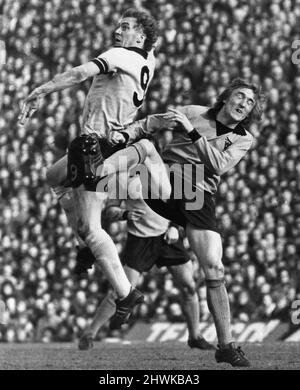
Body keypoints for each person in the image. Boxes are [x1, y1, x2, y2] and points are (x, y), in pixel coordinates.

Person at [86, 78, 266, 367]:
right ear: (226, 98)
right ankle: (94, 183)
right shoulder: (194, 111)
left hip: (197, 193)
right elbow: (152, 122)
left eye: (250, 102)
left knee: (214, 267)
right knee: (143, 148)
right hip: (167, 179)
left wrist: (192, 132)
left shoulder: (244, 138)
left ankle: (226, 346)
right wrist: (126, 133)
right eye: (240, 96)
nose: (244, 104)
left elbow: (218, 164)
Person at [18, 8, 159, 328]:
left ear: (139, 36)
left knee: (92, 229)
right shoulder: (148, 59)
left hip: (97, 146)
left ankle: (125, 292)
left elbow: (80, 73)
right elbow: (153, 46)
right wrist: (150, 38)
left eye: (126, 27)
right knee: (54, 177)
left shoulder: (121, 54)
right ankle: (85, 247)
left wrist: (42, 90)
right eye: (118, 26)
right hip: (111, 143)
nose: (117, 31)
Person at [78, 174, 215, 351]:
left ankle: (195, 336)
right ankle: (90, 333)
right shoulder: (124, 178)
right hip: (140, 240)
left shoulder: (166, 172)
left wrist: (175, 227)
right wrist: (125, 214)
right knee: (122, 291)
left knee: (188, 286)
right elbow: (110, 210)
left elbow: (185, 205)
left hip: (167, 237)